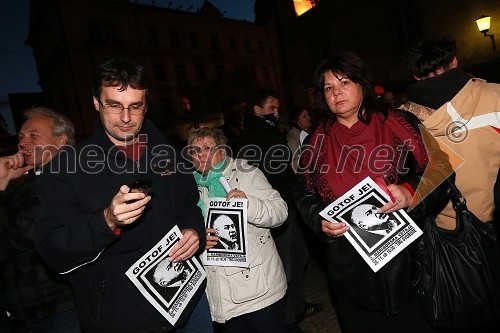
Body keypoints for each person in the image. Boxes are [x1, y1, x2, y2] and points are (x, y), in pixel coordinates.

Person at [34, 58, 213, 333]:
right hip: (123, 320)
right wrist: (106, 221)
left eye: (135, 106)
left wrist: (194, 230)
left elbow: (190, 202)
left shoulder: (169, 155)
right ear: (96, 103)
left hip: (191, 306)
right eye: (114, 105)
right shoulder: (63, 168)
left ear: (146, 105)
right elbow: (53, 251)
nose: (126, 117)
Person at [293, 51, 451, 333]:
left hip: (411, 266)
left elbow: (442, 170)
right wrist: (319, 219)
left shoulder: (400, 123)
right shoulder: (316, 141)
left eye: (343, 83)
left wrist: (410, 191)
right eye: (328, 87)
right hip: (351, 273)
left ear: (361, 84)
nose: (336, 92)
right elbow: (303, 191)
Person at [188, 127, 288, 333]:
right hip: (220, 298)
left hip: (259, 291)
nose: (201, 154)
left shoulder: (245, 174)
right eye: (195, 150)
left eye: (208, 148)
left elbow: (280, 212)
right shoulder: (187, 187)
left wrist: (248, 203)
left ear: (223, 152)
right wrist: (197, 235)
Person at [238, 90, 322, 332]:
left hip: (287, 206)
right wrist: (293, 172)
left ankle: (298, 306)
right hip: (273, 210)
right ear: (257, 109)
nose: (275, 112)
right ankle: (286, 318)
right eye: (270, 108)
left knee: (298, 257)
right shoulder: (253, 137)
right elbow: (266, 173)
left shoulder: (270, 131)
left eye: (277, 108)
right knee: (284, 265)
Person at [402, 34, 500, 232]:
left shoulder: (402, 119)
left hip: (445, 234)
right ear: (454, 62)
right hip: (493, 219)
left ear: (415, 75)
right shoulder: (496, 96)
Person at [0, 107, 81, 332]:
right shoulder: (25, 182)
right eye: (21, 137)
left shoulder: (68, 178)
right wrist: (3, 183)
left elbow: (17, 238)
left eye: (33, 135)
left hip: (60, 310)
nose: (23, 143)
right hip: (22, 313)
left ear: (61, 141)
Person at [286, 106, 312, 173]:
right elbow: (295, 160)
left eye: (308, 115)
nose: (309, 117)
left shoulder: (310, 132)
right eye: (304, 116)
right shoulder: (294, 136)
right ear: (296, 120)